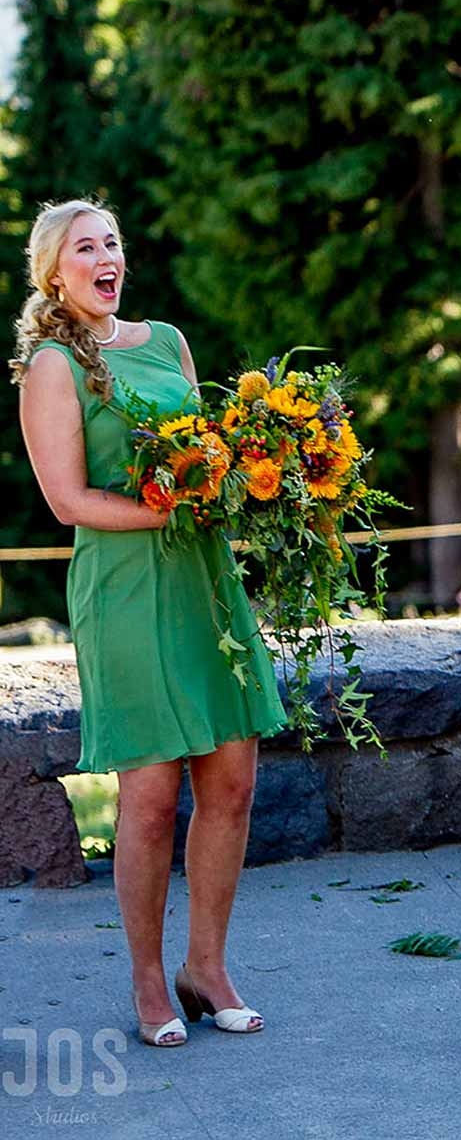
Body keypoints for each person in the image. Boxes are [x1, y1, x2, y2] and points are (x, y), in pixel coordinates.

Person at [11, 199, 285, 1047]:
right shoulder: (53, 364)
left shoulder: (166, 341)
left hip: (202, 577)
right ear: (55, 272)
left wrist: (255, 474)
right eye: (85, 247)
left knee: (232, 777)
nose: (106, 257)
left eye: (113, 244)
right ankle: (145, 982)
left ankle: (206, 966)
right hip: (126, 587)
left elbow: (204, 447)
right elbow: (69, 500)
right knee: (152, 793)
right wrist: (175, 509)